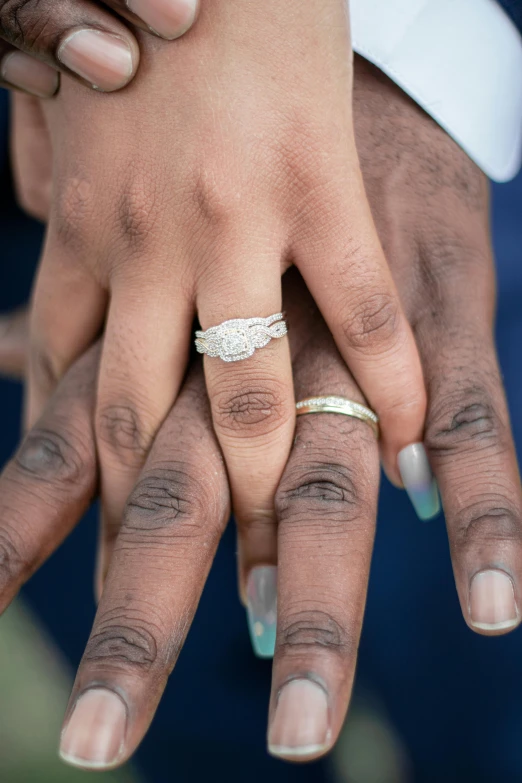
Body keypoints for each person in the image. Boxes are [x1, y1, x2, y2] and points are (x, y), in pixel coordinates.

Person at [1, 0, 522, 779]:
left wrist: (352, 66)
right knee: (183, 703)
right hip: (41, 224)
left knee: (485, 707)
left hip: (423, 159)